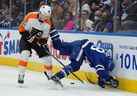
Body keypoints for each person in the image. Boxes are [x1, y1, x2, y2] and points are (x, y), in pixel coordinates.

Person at [49, 30, 119, 88]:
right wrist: (109, 79)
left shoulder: (105, 56)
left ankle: (52, 30)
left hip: (79, 44)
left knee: (59, 46)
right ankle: (58, 76)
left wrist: (101, 79)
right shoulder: (100, 60)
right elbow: (100, 71)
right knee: (75, 65)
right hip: (81, 47)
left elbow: (102, 70)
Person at [17, 4, 54, 84]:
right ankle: (21, 74)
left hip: (36, 42)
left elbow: (44, 39)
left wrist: (41, 42)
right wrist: (29, 37)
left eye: (47, 16)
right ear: (40, 12)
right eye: (44, 15)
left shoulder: (48, 23)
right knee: (25, 54)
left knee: (48, 58)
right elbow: (21, 29)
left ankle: (50, 76)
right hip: (26, 40)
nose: (45, 18)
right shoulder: (30, 16)